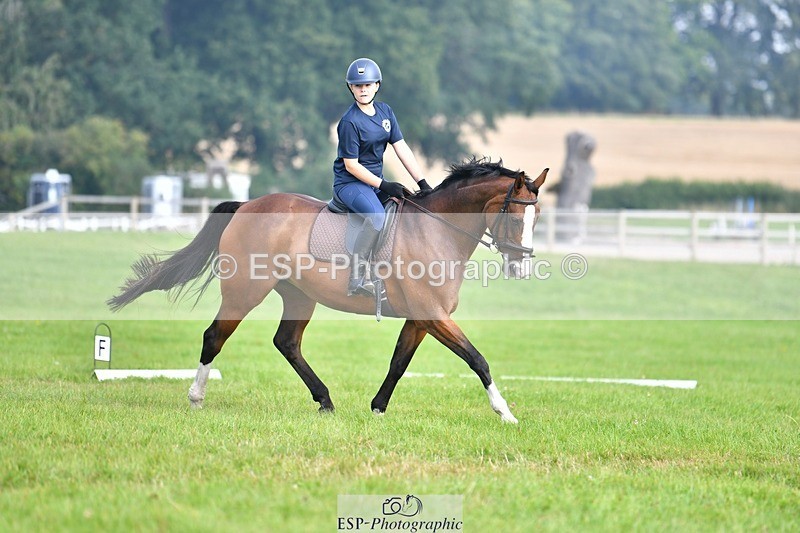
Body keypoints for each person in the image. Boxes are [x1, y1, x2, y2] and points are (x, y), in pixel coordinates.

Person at [333, 57, 432, 296]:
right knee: (377, 217)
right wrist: (384, 184)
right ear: (350, 88)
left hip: (373, 184)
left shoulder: (386, 112)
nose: (363, 89)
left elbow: (401, 147)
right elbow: (352, 165)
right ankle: (356, 279)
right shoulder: (349, 122)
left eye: (368, 84)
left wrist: (422, 182)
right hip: (350, 184)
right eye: (358, 85)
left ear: (377, 85)